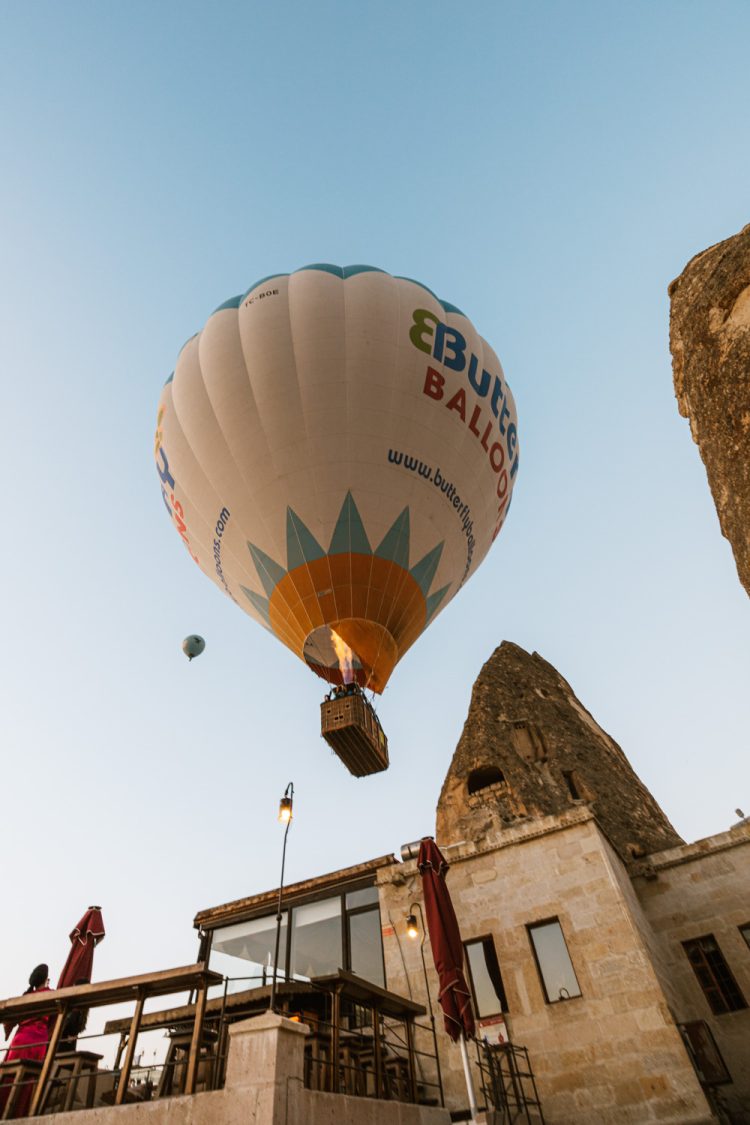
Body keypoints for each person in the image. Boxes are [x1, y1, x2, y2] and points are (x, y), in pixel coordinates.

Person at [0, 964, 53, 1117]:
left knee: (9, 1078)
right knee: (29, 1079)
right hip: (37, 1041)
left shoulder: (26, 996)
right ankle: (21, 1113)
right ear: (46, 979)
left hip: (19, 1041)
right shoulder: (50, 994)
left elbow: (8, 1022)